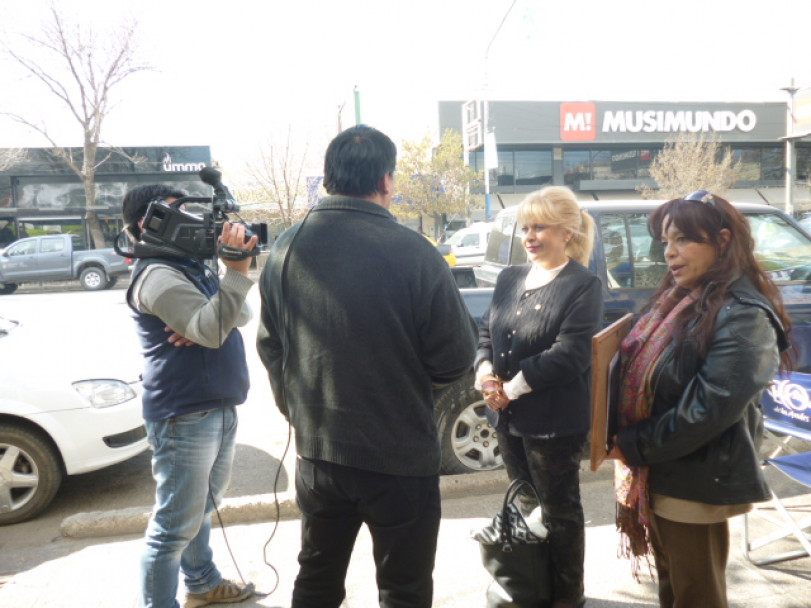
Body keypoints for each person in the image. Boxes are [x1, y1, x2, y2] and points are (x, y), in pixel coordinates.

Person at [256, 124, 478, 608]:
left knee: (316, 577)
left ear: (328, 179)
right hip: (399, 458)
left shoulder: (285, 250)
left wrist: (298, 410)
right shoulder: (416, 252)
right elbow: (456, 359)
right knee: (404, 588)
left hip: (319, 456)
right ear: (386, 181)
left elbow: (272, 348)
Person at [608, 190, 792, 608]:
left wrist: (633, 444)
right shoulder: (682, 300)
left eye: (683, 240)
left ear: (723, 242)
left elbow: (707, 409)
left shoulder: (744, 313)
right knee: (674, 589)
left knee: (697, 595)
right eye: (665, 242)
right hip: (659, 470)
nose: (670, 253)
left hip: (695, 478)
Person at [121, 184, 257, 608]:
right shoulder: (158, 274)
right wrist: (227, 288)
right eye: (181, 211)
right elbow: (216, 328)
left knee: (199, 509)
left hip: (214, 404)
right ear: (149, 222)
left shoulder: (187, 266)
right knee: (172, 527)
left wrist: (215, 305)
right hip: (184, 415)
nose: (195, 221)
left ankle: (201, 583)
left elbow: (241, 315)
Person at [475, 185, 603, 608]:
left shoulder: (582, 284)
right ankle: (534, 586)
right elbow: (486, 331)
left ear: (567, 232)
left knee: (559, 511)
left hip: (553, 421)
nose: (529, 236)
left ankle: (567, 596)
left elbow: (570, 355)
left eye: (540, 227)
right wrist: (484, 371)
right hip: (508, 418)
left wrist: (509, 391)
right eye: (525, 227)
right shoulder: (511, 276)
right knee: (526, 503)